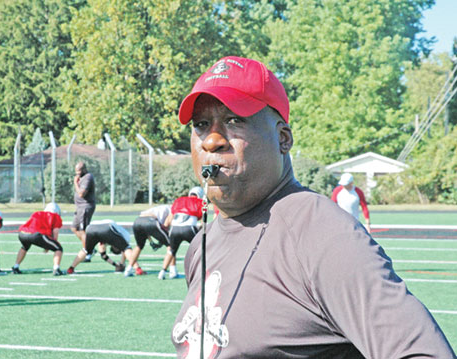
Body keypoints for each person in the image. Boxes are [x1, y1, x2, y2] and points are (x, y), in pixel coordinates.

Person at [171, 56, 455, 358]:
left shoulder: (320, 232)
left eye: (234, 120)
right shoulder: (201, 245)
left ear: (283, 138)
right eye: (201, 125)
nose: (212, 140)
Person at [158, 187, 203, 280]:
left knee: (171, 251)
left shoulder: (179, 200)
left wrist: (166, 228)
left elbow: (171, 216)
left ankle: (162, 272)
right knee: (200, 249)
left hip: (174, 228)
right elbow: (201, 218)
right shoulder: (200, 202)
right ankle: (200, 272)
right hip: (189, 228)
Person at [66, 220, 141, 275]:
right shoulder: (125, 236)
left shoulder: (111, 239)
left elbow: (103, 255)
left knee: (86, 250)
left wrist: (115, 265)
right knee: (126, 248)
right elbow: (125, 251)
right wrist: (121, 264)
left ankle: (71, 268)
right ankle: (137, 268)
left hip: (91, 228)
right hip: (107, 227)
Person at [11, 203, 64, 276]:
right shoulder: (55, 216)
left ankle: (15, 267)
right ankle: (56, 269)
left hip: (22, 234)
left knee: (24, 247)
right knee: (58, 248)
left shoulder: (37, 213)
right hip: (36, 234)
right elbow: (55, 232)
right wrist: (51, 245)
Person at [124, 204, 172, 277]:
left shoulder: (160, 208)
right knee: (171, 245)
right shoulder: (173, 208)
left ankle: (128, 270)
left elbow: (145, 225)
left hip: (138, 221)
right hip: (150, 221)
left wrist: (151, 240)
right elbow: (165, 225)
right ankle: (171, 271)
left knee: (139, 246)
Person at [71, 161, 96, 262]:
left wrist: (75, 183)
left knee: (83, 230)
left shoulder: (88, 177)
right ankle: (90, 248)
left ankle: (88, 253)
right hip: (79, 207)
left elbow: (81, 194)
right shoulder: (80, 177)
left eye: (79, 171)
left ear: (84, 169)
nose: (77, 174)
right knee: (74, 228)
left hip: (85, 207)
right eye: (76, 172)